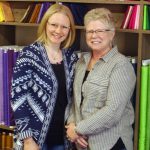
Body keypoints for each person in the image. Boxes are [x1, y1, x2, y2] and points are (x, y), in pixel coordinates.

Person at [66, 8, 136, 150]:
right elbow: (75, 100)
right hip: (82, 143)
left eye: (100, 31)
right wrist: (71, 125)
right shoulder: (81, 62)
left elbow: (112, 112)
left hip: (111, 143)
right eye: (90, 31)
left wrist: (78, 129)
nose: (94, 36)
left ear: (112, 34)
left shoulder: (121, 65)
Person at [11, 3, 78, 150]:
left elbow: (75, 97)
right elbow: (18, 98)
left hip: (62, 137)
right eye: (54, 24)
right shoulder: (28, 55)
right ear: (45, 25)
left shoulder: (71, 57)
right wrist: (27, 139)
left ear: (69, 30)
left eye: (64, 27)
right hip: (34, 139)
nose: (58, 31)